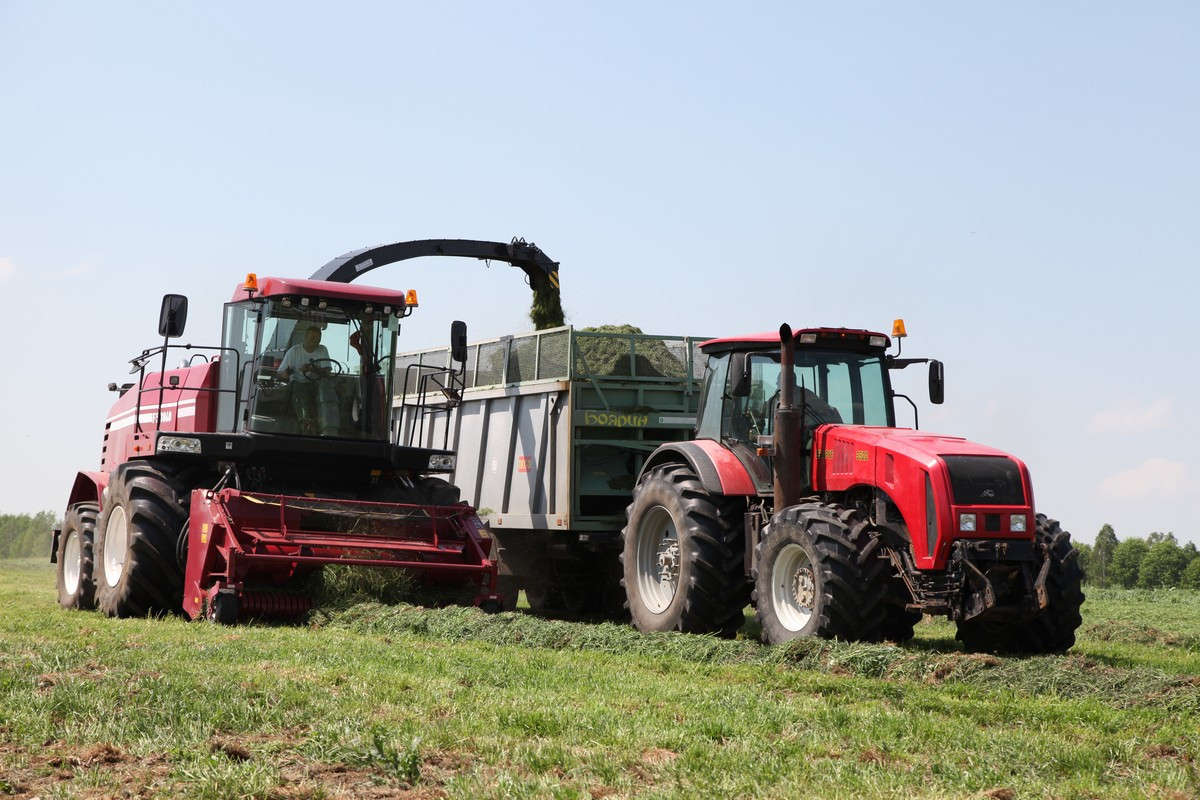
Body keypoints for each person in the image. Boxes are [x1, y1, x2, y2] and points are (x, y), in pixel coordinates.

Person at [276, 324, 340, 435]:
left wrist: (311, 369)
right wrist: (286, 374)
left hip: (317, 384)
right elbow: (280, 373)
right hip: (299, 383)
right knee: (299, 389)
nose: (314, 341)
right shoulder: (294, 351)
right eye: (312, 338)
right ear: (305, 337)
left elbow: (327, 373)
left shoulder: (322, 350)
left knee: (327, 387)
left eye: (317, 339)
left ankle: (330, 426)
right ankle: (306, 423)